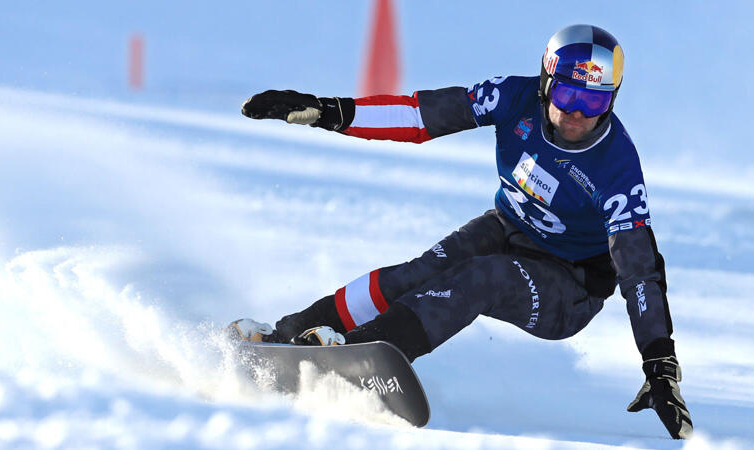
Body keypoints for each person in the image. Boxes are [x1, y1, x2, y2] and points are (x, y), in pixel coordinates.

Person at [229, 24, 693, 439]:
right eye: (568, 95)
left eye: (594, 101)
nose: (578, 113)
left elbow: (640, 273)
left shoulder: (617, 168)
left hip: (570, 285)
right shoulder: (513, 98)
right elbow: (420, 116)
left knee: (482, 278)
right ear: (545, 84)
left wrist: (659, 363)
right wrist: (330, 111)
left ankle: (356, 355)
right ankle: (287, 334)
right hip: (507, 226)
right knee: (414, 275)